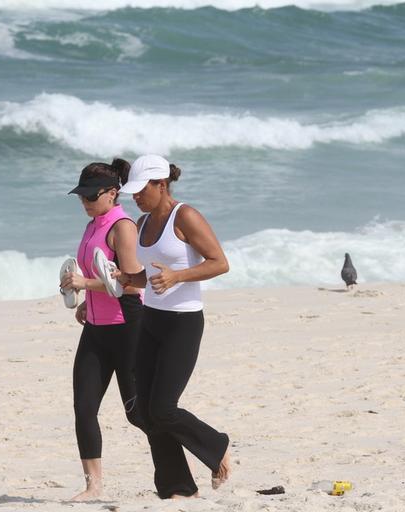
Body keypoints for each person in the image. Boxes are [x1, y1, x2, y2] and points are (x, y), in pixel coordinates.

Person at [116, 154, 231, 499]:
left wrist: (178, 275)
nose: (135, 197)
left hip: (183, 323)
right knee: (148, 414)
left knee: (164, 408)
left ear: (161, 185)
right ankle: (178, 488)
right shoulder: (143, 221)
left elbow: (220, 263)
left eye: (141, 190)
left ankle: (217, 446)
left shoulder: (186, 216)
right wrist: (121, 278)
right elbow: (146, 276)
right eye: (132, 192)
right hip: (151, 320)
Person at [60, 158, 146, 501]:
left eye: (91, 196)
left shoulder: (122, 226)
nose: (85, 202)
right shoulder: (93, 223)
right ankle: (93, 486)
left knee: (138, 413)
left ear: (112, 193)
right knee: (84, 407)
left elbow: (130, 284)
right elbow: (103, 278)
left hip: (126, 326)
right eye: (81, 196)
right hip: (95, 328)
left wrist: (85, 283)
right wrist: (84, 300)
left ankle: (207, 452)